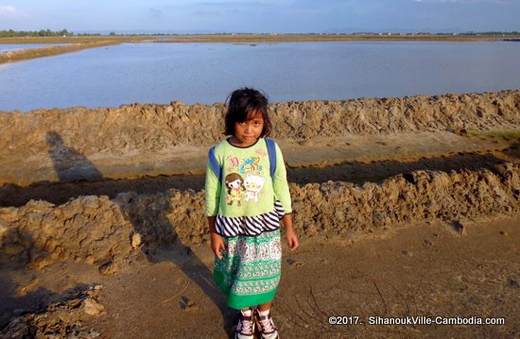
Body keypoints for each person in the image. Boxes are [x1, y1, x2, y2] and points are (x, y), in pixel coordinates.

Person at [205, 87, 299, 339]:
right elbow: (212, 197)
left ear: (264, 123)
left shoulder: (270, 149)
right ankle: (246, 317)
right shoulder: (218, 153)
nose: (249, 130)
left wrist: (288, 225)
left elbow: (281, 186)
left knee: (268, 275)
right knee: (239, 275)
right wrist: (214, 233)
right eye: (243, 123)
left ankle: (265, 317)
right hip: (233, 230)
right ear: (232, 121)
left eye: (256, 123)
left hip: (266, 226)